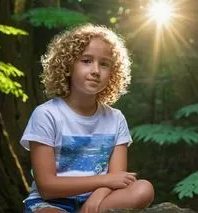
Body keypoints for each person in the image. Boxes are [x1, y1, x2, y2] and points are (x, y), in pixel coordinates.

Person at [20, 23, 154, 213]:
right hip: (50, 203)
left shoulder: (116, 119)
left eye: (104, 64)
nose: (96, 71)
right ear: (68, 65)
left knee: (143, 189)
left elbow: (117, 177)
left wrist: (98, 195)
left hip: (98, 200)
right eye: (86, 60)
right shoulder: (46, 115)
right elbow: (47, 187)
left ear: (113, 73)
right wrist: (105, 180)